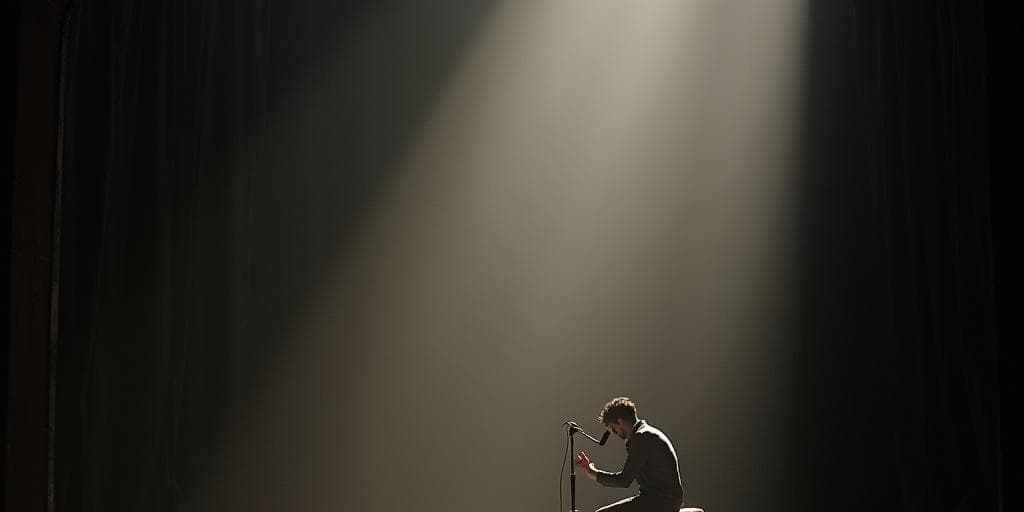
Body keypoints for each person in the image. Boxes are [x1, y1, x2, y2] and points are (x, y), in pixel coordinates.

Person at [576, 397, 684, 512]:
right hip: (660, 499)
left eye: (612, 427)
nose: (614, 432)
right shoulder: (645, 435)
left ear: (620, 421)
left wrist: (592, 472)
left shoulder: (642, 438)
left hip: (661, 502)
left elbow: (623, 480)